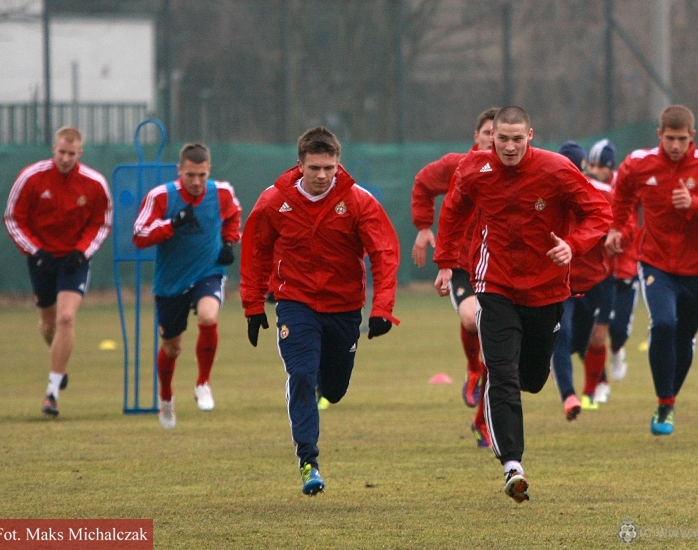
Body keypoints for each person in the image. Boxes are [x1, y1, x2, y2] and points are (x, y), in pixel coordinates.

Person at [433, 107, 612, 504]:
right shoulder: (473, 169)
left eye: (517, 139)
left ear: (530, 136)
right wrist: (445, 262)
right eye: (502, 139)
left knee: (531, 378)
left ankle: (516, 406)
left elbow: (599, 212)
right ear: (491, 137)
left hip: (547, 290)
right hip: (494, 284)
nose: (510, 147)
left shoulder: (556, 169)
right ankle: (512, 465)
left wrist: (574, 245)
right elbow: (453, 211)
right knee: (502, 373)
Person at [240, 126, 400, 496]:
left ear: (338, 164)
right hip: (295, 303)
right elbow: (256, 251)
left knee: (335, 389)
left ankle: (321, 390)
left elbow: (384, 253)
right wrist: (253, 304)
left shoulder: (358, 201)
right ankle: (308, 461)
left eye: (329, 168)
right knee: (301, 374)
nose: (323, 175)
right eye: (315, 168)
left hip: (344, 308)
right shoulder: (274, 201)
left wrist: (382, 307)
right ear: (300, 165)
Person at [606, 105, 698, 436]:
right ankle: (664, 402)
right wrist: (617, 228)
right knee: (664, 323)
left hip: (697, 269)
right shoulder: (639, 164)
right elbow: (622, 196)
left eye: (682, 139)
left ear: (692, 136)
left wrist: (695, 205)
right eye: (670, 138)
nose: (676, 146)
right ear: (659, 135)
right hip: (655, 262)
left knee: (684, 337)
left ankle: (669, 400)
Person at [4, 126, 113, 418]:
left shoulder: (94, 183)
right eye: (62, 152)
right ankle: (59, 363)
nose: (65, 158)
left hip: (74, 261)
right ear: (54, 149)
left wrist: (81, 252)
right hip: (42, 259)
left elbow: (102, 223)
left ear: (80, 153)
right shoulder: (32, 177)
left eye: (71, 154)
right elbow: (14, 218)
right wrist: (37, 251)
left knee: (66, 318)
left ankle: (51, 393)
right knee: (49, 325)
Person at [133, 142, 241, 429]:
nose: (196, 181)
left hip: (208, 271)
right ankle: (166, 397)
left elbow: (233, 216)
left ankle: (203, 383)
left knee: (208, 316)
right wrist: (172, 224)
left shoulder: (222, 192)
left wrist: (229, 242)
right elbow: (140, 235)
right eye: (190, 175)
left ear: (209, 171)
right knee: (172, 347)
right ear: (179, 170)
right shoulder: (160, 196)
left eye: (202, 175)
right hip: (172, 281)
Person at [411, 107, 498, 448]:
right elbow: (422, 183)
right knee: (473, 318)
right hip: (463, 267)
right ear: (476, 136)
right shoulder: (457, 166)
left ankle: (481, 422)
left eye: (501, 135)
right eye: (489, 132)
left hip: (500, 269)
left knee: (503, 356)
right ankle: (473, 368)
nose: (494, 139)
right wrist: (423, 227)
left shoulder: (519, 174)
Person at [549, 141, 615, 420]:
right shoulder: (545, 196)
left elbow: (620, 222)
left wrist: (617, 234)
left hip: (595, 282)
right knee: (560, 335)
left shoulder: (602, 193)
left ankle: (596, 383)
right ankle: (570, 396)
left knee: (586, 341)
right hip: (560, 283)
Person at [587, 138, 637, 387]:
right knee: (593, 329)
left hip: (625, 265)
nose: (595, 171)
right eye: (592, 165)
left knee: (618, 329)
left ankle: (617, 350)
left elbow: (631, 225)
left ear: (611, 167)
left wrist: (615, 236)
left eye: (600, 166)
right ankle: (599, 382)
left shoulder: (622, 188)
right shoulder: (588, 186)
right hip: (598, 270)